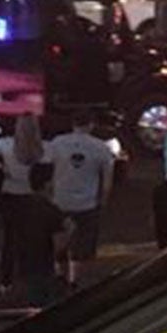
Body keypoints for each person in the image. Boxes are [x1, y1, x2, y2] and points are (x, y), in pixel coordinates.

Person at [48, 108, 116, 286]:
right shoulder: (101, 147)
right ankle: (75, 281)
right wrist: (103, 202)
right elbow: (107, 181)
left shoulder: (57, 143)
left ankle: (59, 275)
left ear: (73, 124)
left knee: (60, 239)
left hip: (60, 200)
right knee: (83, 245)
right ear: (91, 125)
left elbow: (47, 168)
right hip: (87, 203)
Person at [0, 114, 49, 287]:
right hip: (32, 198)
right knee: (33, 240)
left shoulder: (5, 145)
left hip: (11, 196)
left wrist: (2, 167)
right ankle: (31, 277)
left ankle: (6, 281)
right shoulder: (44, 148)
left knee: (9, 241)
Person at [15, 162, 67, 306]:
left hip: (24, 266)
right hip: (45, 268)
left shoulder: (21, 208)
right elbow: (59, 246)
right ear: (48, 183)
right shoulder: (52, 211)